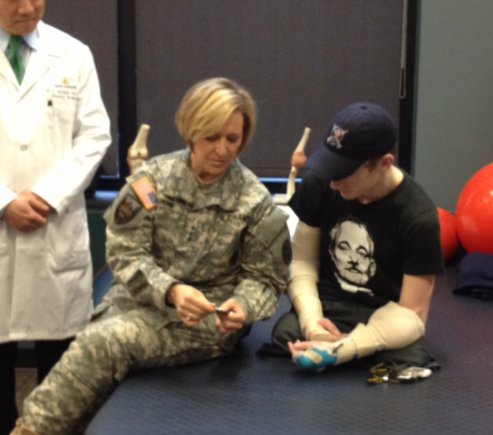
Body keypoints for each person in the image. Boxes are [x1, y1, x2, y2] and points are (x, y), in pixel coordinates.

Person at [11, 77, 291, 435]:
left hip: (205, 319)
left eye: (233, 139)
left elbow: (265, 279)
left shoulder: (253, 200)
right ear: (191, 132)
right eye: (212, 138)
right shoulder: (153, 180)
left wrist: (244, 306)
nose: (223, 150)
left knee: (104, 344)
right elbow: (126, 251)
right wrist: (171, 291)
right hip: (140, 299)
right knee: (94, 356)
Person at [0, 1, 111, 433]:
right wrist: (5, 201)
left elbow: (95, 135)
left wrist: (46, 196)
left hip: (54, 226)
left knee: (60, 373)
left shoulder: (73, 53)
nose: (28, 8)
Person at [269, 102, 444, 371]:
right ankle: (338, 347)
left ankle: (346, 352)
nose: (333, 182)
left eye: (344, 172)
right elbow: (301, 261)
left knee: (411, 355)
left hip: (384, 311)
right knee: (285, 334)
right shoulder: (321, 182)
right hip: (329, 304)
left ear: (385, 163)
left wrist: (341, 350)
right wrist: (312, 323)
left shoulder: (418, 216)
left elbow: (413, 314)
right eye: (330, 168)